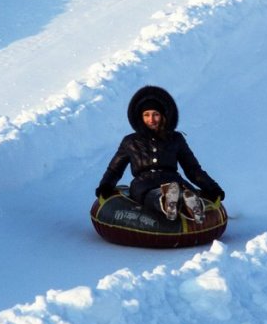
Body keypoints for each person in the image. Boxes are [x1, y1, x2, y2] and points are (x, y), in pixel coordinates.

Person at [96, 85, 224, 222]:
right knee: (153, 194)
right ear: (140, 117)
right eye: (146, 115)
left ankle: (190, 204)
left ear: (163, 116)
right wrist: (105, 187)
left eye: (155, 114)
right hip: (144, 183)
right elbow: (115, 169)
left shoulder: (175, 139)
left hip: (172, 180)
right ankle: (167, 202)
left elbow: (192, 169)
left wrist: (212, 188)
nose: (151, 119)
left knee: (180, 189)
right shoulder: (131, 141)